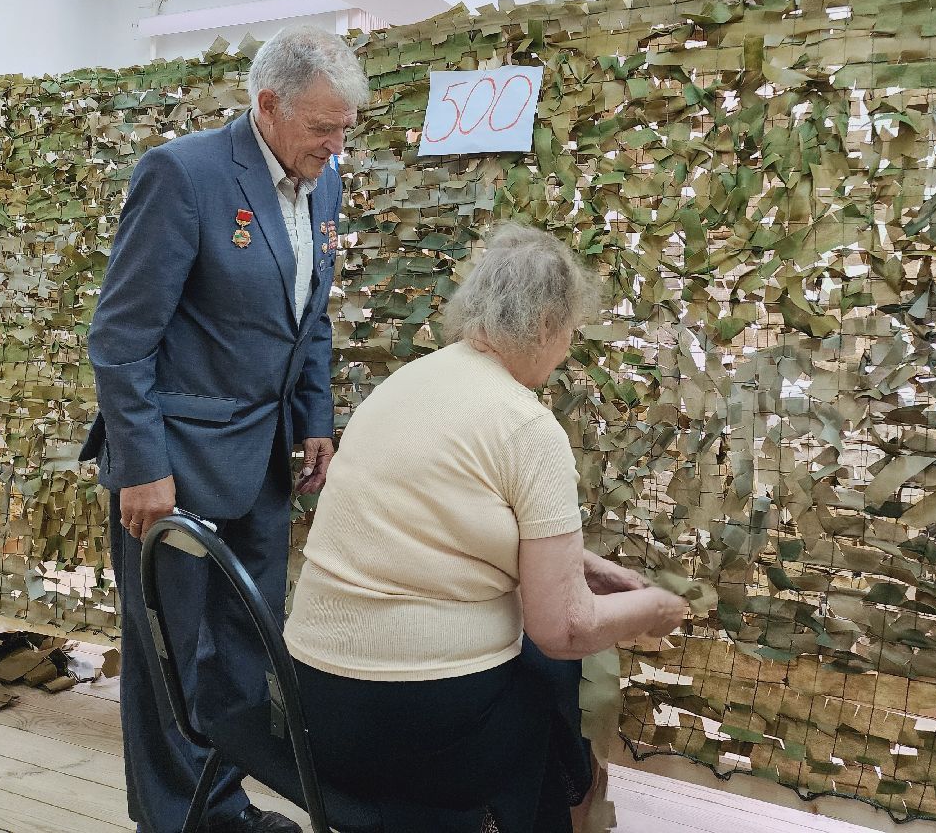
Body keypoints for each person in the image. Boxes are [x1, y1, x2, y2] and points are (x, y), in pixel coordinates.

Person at [284, 223, 689, 833]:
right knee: (559, 696)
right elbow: (566, 628)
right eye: (572, 332)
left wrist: (586, 566)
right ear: (549, 325)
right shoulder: (526, 426)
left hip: (312, 703)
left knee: (544, 676)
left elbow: (444, 528)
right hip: (412, 724)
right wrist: (656, 608)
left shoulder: (406, 384)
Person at [80, 24, 367, 833]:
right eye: (322, 128)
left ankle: (220, 809)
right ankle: (170, 823)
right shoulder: (184, 174)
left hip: (263, 465)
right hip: (172, 471)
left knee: (246, 657)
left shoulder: (324, 181)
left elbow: (307, 318)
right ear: (267, 105)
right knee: (171, 663)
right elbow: (121, 337)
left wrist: (315, 419)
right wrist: (142, 467)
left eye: (345, 128)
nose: (336, 145)